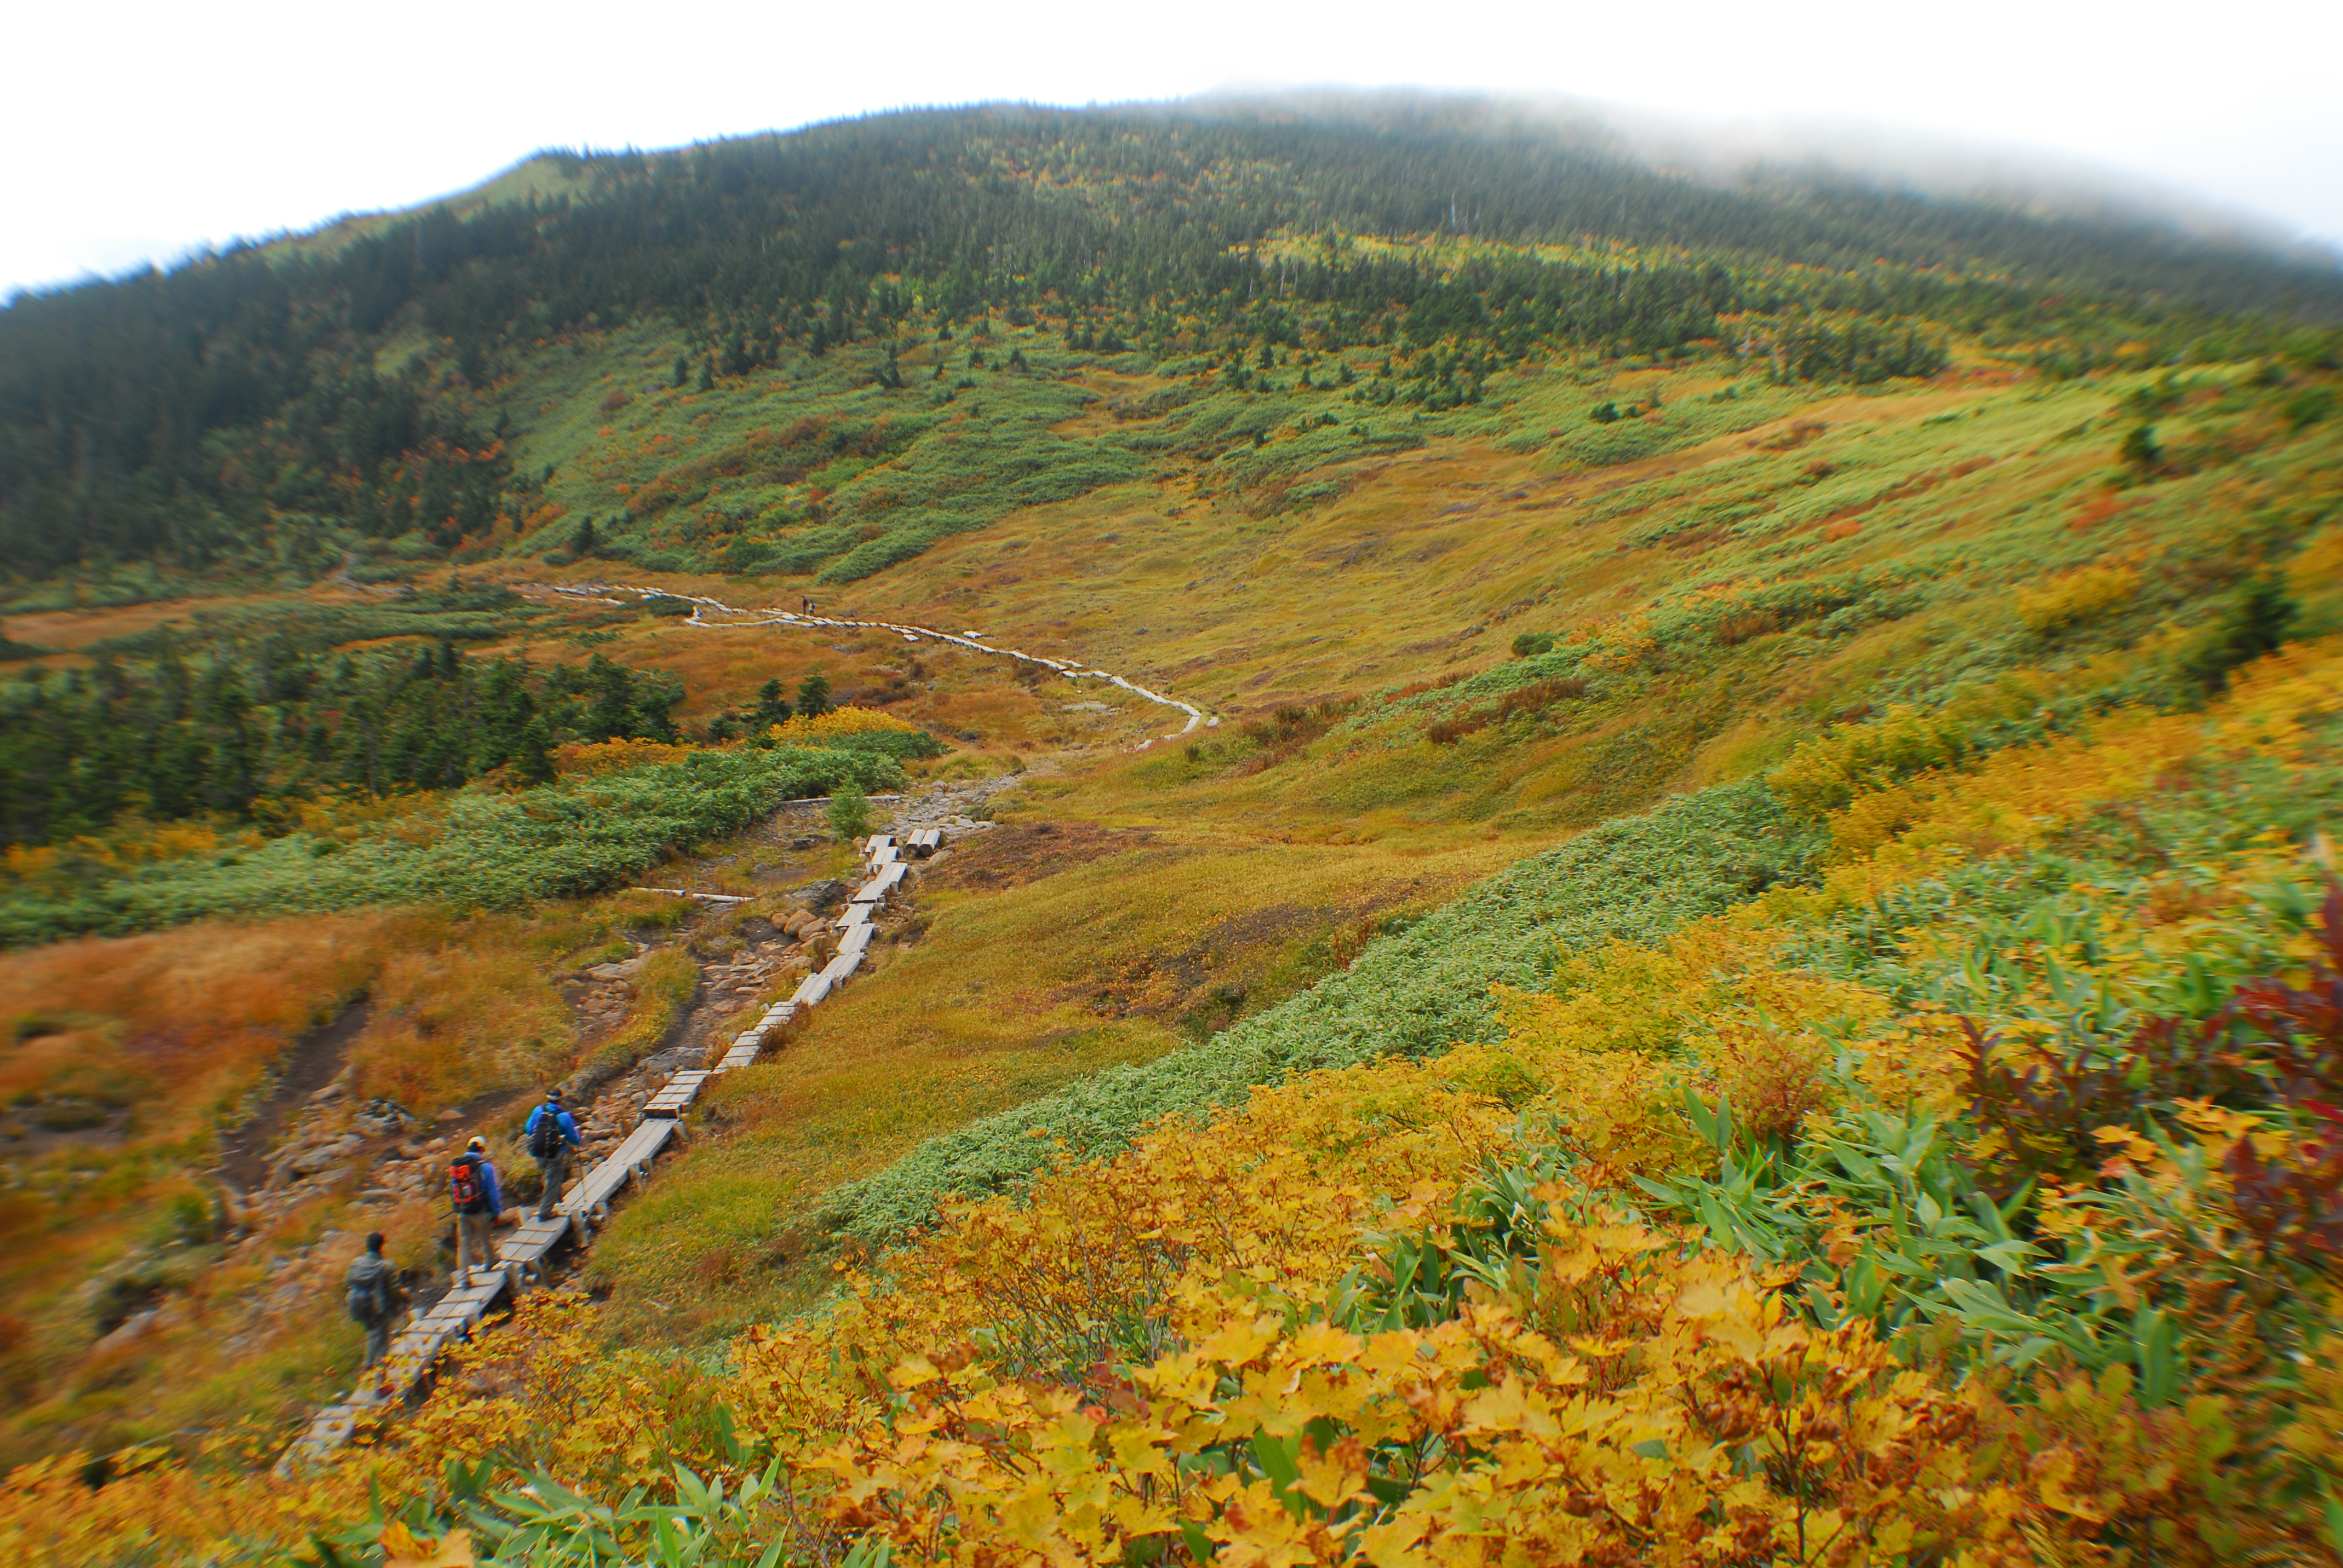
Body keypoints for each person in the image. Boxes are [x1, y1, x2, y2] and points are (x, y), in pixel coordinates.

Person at [344, 1232, 404, 1371]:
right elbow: (395, 1292)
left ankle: (368, 1365)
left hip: (356, 1305)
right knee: (383, 1342)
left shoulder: (355, 1263)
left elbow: (347, 1284)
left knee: (372, 1332)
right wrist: (403, 1299)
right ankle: (381, 1383)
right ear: (382, 1247)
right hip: (377, 1308)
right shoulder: (387, 1266)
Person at [450, 1135, 503, 1287]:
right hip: (480, 1209)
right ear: (481, 1149)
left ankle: (464, 1278)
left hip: (463, 1210)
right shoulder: (486, 1167)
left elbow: (453, 1189)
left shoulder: (458, 1166)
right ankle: (490, 1260)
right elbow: (494, 1191)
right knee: (485, 1237)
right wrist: (496, 1211)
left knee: (464, 1243)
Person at [523, 1089, 583, 1221]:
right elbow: (574, 1139)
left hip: (537, 1151)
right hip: (555, 1154)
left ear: (548, 1098)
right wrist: (578, 1136)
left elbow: (529, 1130)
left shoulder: (538, 1110)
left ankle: (556, 1199)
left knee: (548, 1177)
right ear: (560, 1100)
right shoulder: (564, 1116)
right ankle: (545, 1211)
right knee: (553, 1180)